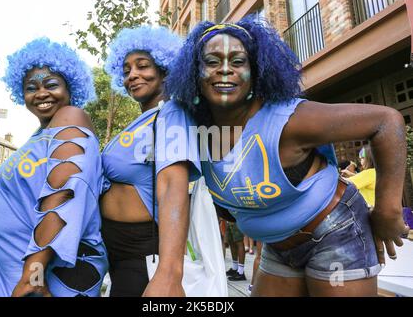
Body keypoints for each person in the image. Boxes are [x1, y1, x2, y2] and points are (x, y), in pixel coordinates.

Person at [166, 15, 409, 296]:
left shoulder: (288, 119)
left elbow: (387, 122)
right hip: (279, 246)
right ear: (194, 73)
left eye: (237, 61)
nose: (224, 70)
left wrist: (387, 212)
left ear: (256, 71)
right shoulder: (196, 129)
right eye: (211, 61)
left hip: (336, 231)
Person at [0, 38, 108, 297]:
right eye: (31, 87)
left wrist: (34, 273)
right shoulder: (37, 136)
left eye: (51, 85)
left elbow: (65, 191)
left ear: (70, 87)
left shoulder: (71, 117)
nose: (41, 93)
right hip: (10, 270)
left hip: (44, 275)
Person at [101, 26, 201, 296]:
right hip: (117, 250)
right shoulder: (142, 120)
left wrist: (170, 272)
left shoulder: (172, 114)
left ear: (164, 68)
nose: (132, 75)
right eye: (126, 70)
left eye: (142, 66)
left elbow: (172, 187)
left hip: (143, 252)